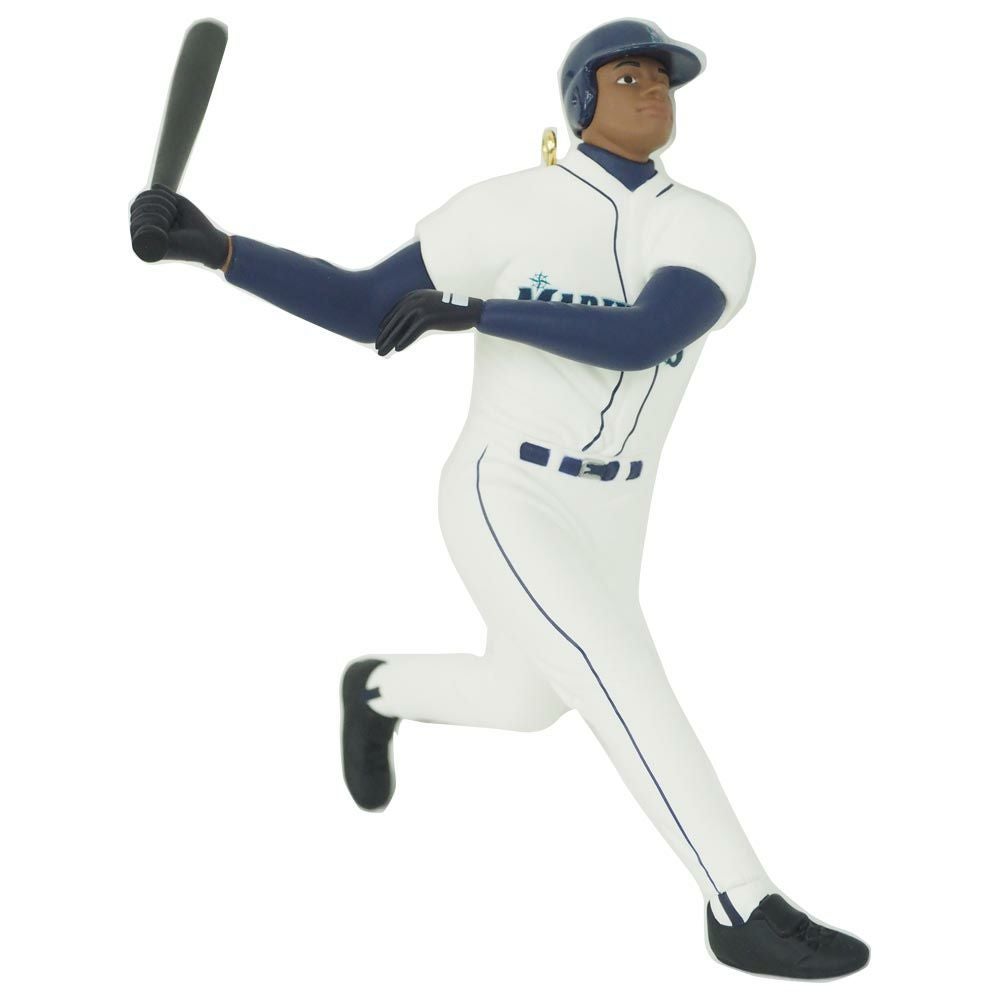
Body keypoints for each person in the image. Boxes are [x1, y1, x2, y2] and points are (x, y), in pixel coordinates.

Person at [129, 18, 869, 980]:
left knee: (528, 699)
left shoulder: (707, 226)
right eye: (630, 75)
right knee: (622, 677)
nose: (655, 88)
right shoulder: (507, 207)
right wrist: (220, 249)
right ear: (581, 99)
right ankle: (742, 904)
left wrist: (479, 311)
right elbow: (364, 306)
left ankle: (377, 688)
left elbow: (645, 336)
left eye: (665, 78)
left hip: (619, 512)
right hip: (506, 488)